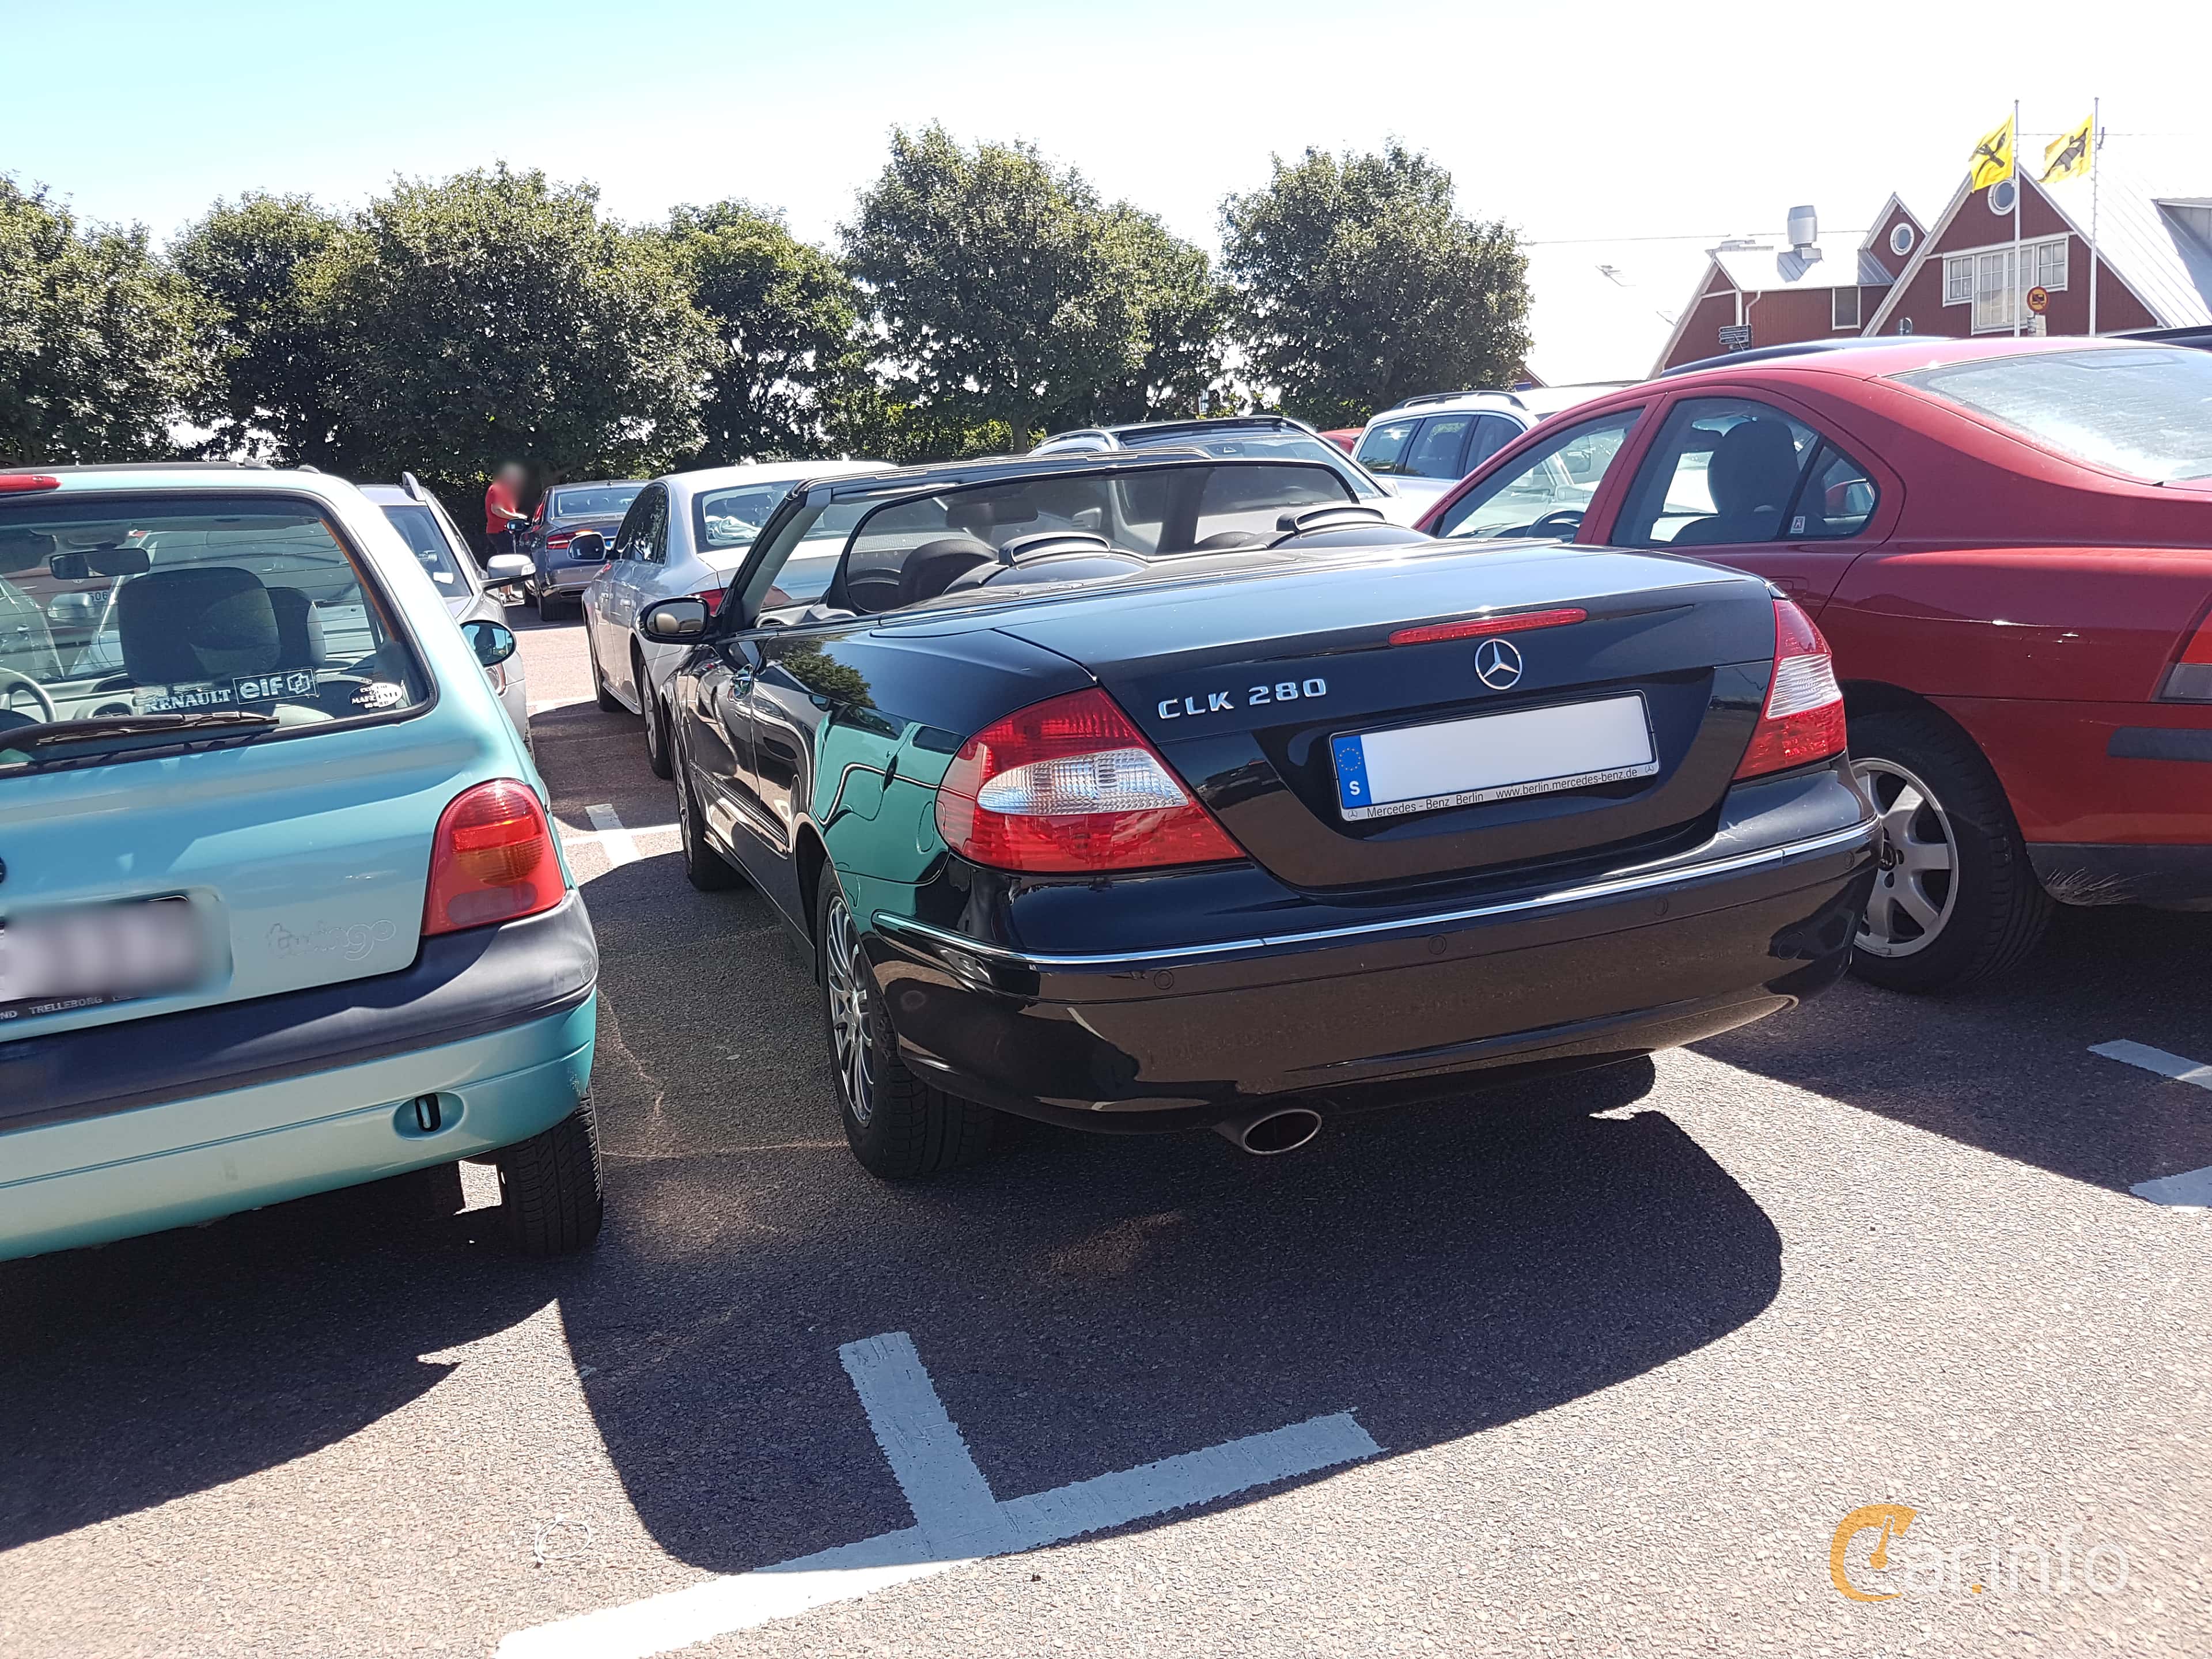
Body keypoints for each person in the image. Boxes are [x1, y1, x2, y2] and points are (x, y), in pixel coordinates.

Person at [483, 463, 529, 560]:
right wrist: (517, 517)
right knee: (509, 559)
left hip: (505, 531)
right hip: (500, 531)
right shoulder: (496, 489)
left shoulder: (504, 490)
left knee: (509, 557)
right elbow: (497, 510)